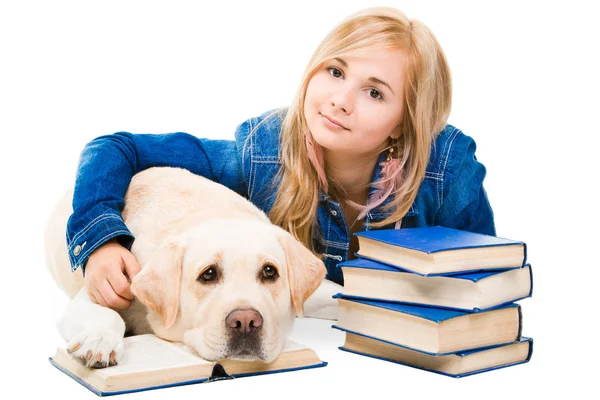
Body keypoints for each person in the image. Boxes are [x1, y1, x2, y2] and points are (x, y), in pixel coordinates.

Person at [65, 6, 495, 310]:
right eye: (336, 71)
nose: (340, 101)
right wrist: (101, 241)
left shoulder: (447, 172)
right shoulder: (263, 154)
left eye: (374, 92)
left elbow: (491, 283)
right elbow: (117, 147)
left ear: (403, 122)